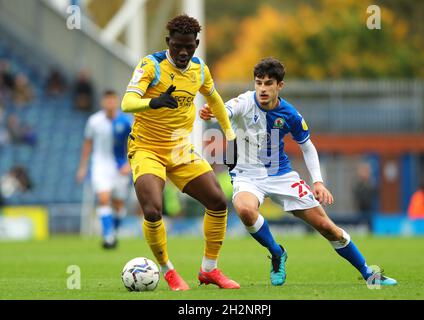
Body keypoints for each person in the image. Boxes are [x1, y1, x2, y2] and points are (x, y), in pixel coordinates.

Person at [200, 57, 397, 287]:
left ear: (279, 86)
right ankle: (277, 253)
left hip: (281, 175)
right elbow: (226, 111)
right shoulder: (244, 101)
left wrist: (318, 182)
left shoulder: (290, 114)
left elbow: (307, 145)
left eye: (268, 83)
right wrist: (211, 112)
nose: (262, 89)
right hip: (247, 175)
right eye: (259, 83)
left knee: (327, 227)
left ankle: (369, 275)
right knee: (245, 210)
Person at [121, 14, 239, 291]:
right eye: (177, 46)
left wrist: (231, 137)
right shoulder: (151, 66)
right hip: (146, 148)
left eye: (189, 46)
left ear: (196, 43)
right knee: (152, 209)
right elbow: (128, 102)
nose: (183, 52)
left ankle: (209, 270)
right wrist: (153, 102)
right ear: (168, 42)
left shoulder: (199, 70)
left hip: (179, 148)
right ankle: (168, 271)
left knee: (218, 201)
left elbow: (216, 101)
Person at [77, 90, 132, 249]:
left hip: (120, 167)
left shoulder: (126, 120)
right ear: (103, 102)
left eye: (112, 101)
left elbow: (135, 142)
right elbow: (87, 144)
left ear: (117, 102)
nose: (109, 104)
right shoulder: (94, 121)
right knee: (103, 199)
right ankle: (108, 236)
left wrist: (129, 164)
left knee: (119, 205)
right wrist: (82, 167)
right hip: (100, 165)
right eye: (107, 101)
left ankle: (113, 231)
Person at [352, 162, 378, 229]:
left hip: (369, 207)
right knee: (358, 222)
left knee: (370, 223)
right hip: (360, 207)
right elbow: (356, 193)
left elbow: (374, 193)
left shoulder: (371, 182)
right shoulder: (358, 183)